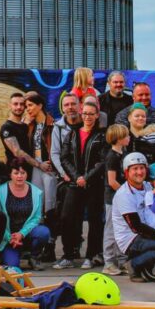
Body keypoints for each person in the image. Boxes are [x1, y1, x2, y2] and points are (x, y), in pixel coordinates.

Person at [111, 152, 155, 282]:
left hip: (147, 231)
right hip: (131, 238)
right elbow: (136, 227)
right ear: (127, 172)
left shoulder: (148, 186)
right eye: (134, 169)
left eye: (141, 168)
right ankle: (133, 265)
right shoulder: (124, 195)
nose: (139, 172)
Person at [57, 100, 106, 270]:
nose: (87, 117)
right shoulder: (71, 134)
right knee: (67, 217)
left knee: (94, 220)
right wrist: (76, 176)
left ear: (97, 115)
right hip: (74, 183)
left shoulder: (102, 135)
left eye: (91, 114)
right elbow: (64, 158)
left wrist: (87, 177)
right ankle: (68, 255)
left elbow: (102, 161)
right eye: (84, 113)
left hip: (94, 185)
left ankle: (91, 255)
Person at [0, 158, 51, 269]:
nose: (19, 176)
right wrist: (10, 237)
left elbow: (36, 218)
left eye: (23, 173)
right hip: (8, 237)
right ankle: (8, 255)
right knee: (13, 267)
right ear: (10, 174)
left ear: (27, 174)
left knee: (44, 232)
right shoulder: (0, 191)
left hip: (27, 233)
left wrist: (21, 234)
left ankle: (34, 256)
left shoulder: (36, 192)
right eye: (16, 173)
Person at [23, 92, 58, 260]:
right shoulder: (30, 125)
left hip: (49, 167)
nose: (27, 109)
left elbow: (55, 146)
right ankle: (38, 245)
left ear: (40, 106)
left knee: (50, 205)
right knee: (37, 203)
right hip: (35, 166)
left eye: (30, 105)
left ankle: (50, 245)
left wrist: (52, 163)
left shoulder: (52, 124)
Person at [102, 123, 130, 276]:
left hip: (121, 198)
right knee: (111, 230)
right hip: (113, 199)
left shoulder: (123, 153)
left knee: (123, 229)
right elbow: (112, 181)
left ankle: (122, 260)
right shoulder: (112, 156)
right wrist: (126, 192)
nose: (129, 138)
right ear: (118, 139)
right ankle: (109, 262)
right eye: (126, 136)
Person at [50, 93, 82, 189]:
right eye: (66, 105)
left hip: (86, 174)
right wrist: (64, 173)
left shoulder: (87, 124)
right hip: (68, 177)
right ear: (62, 108)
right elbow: (55, 153)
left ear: (80, 105)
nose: (70, 107)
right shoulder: (58, 128)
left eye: (73, 104)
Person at [0, 92, 30, 163]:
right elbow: (17, 152)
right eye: (15, 104)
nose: (19, 107)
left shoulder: (25, 126)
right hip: (15, 171)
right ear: (10, 106)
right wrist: (38, 164)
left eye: (21, 104)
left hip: (29, 170)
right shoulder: (6, 127)